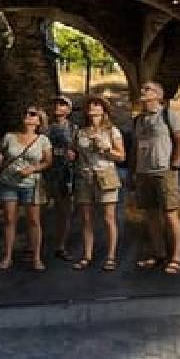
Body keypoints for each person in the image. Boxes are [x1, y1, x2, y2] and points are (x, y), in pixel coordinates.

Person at [131, 81, 180, 274]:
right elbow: (135, 148)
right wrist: (133, 173)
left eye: (147, 89)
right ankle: (158, 254)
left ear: (158, 95)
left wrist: (175, 164)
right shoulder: (138, 120)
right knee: (151, 215)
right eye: (143, 88)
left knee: (170, 214)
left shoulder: (169, 115)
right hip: (143, 172)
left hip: (164, 171)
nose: (143, 91)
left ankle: (176, 257)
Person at [0, 105, 53, 271]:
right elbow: (0, 155)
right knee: (9, 219)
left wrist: (33, 168)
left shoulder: (43, 140)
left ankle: (36, 257)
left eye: (32, 114)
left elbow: (48, 161)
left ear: (39, 120)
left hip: (31, 184)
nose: (28, 116)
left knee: (33, 220)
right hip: (9, 182)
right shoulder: (9, 137)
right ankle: (7, 256)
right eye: (26, 113)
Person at [72, 97, 126, 272]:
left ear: (104, 110)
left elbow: (121, 156)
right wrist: (72, 155)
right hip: (84, 176)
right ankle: (87, 255)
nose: (92, 107)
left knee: (108, 218)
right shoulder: (80, 132)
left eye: (97, 105)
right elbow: (75, 152)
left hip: (105, 175)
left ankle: (111, 256)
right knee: (86, 219)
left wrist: (106, 148)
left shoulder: (112, 131)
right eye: (90, 105)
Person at [44, 95, 78, 262]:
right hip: (46, 173)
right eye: (56, 104)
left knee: (64, 212)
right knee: (39, 211)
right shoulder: (45, 128)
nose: (58, 106)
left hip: (66, 174)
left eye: (62, 104)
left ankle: (61, 246)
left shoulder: (74, 129)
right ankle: (34, 246)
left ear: (69, 110)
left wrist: (75, 155)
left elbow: (80, 150)